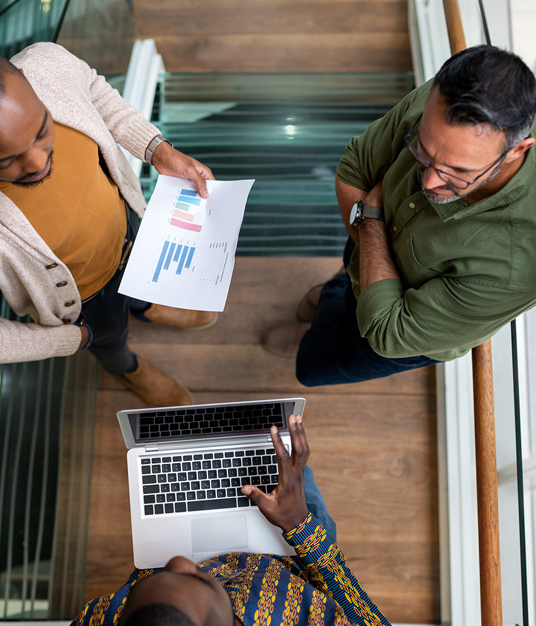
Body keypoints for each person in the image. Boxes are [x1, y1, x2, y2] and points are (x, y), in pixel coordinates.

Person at [262, 45, 536, 385]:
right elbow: (354, 167)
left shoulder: (518, 265)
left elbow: (387, 330)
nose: (430, 181)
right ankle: (331, 297)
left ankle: (325, 309)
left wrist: (371, 219)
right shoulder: (450, 95)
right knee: (347, 278)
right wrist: (369, 230)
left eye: (459, 170)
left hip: (402, 325)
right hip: (364, 236)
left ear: (517, 152)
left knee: (310, 366)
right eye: (423, 150)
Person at [0, 42, 216, 406]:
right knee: (111, 340)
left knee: (143, 278)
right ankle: (128, 369)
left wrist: (158, 149)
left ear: (28, 79)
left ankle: (145, 306)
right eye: (7, 160)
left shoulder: (46, 64)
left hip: (128, 227)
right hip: (87, 300)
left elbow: (95, 92)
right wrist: (72, 340)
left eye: (41, 130)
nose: (39, 162)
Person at [72, 415, 391, 626]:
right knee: (297, 474)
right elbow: (341, 587)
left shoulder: (96, 621)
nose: (179, 562)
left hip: (196, 535)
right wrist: (298, 521)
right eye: (195, 579)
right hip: (296, 548)